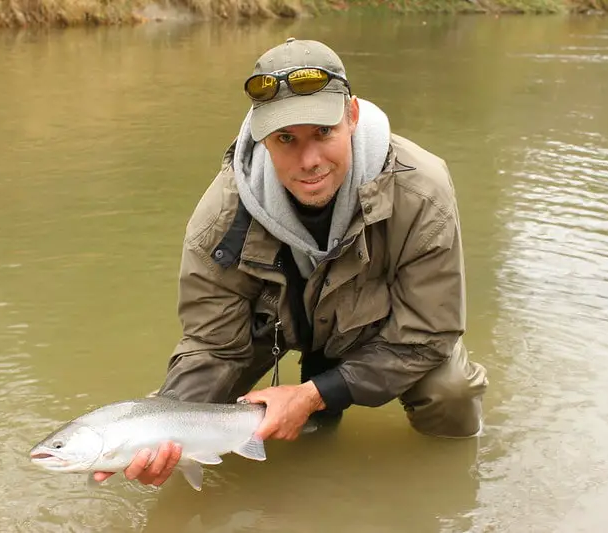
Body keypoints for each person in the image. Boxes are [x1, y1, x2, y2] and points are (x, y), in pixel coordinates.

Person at [94, 38, 488, 487]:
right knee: (190, 409)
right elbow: (212, 347)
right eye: (286, 138)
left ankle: (447, 479)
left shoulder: (422, 190)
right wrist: (163, 431)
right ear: (262, 138)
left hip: (381, 330)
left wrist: (314, 394)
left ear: (352, 117)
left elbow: (428, 334)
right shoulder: (218, 219)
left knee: (450, 392)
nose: (309, 161)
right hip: (273, 329)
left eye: (323, 133)